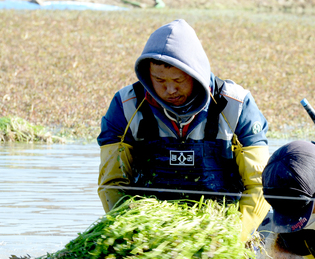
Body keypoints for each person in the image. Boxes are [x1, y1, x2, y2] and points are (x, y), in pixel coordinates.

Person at [97, 19, 270, 242]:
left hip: (221, 228)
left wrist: (232, 238)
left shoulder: (236, 105)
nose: (170, 90)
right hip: (151, 232)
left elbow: (259, 186)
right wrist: (131, 233)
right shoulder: (126, 105)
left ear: (196, 73)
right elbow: (112, 183)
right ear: (147, 74)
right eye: (159, 80)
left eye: (179, 80)